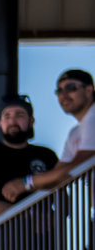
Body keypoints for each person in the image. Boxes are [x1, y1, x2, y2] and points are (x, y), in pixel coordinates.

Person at [6, 70, 95, 201]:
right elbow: (59, 175)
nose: (64, 95)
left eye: (71, 88)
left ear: (89, 90)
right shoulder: (75, 132)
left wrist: (26, 183)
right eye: (59, 91)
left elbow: (81, 163)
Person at [0, 94, 59, 201]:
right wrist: (32, 217)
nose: (12, 122)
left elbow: (64, 200)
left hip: (47, 217)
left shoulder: (47, 155)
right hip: (9, 218)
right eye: (7, 116)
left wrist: (27, 185)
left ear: (31, 121)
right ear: (0, 123)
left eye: (19, 115)